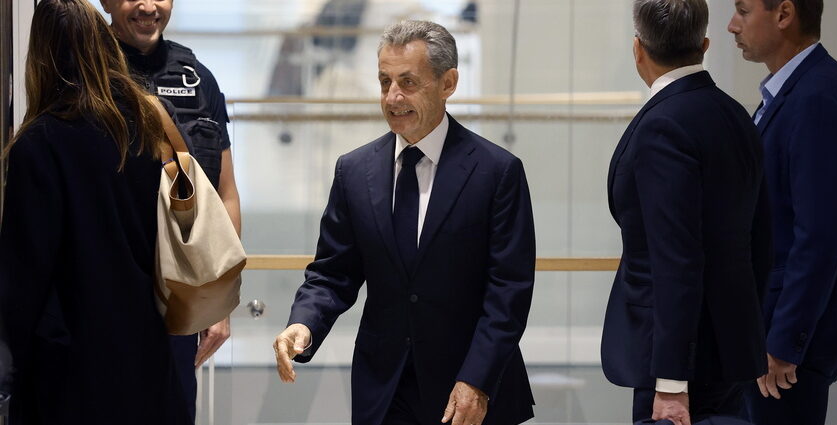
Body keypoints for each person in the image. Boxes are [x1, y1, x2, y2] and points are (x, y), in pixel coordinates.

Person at [273, 20, 536, 425]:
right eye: (385, 82)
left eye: (408, 82)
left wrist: (477, 381)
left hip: (469, 388)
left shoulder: (497, 172)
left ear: (448, 83)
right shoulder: (353, 171)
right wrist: (303, 323)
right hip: (384, 390)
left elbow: (508, 292)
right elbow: (332, 273)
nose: (393, 97)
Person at [0, 0, 192, 423]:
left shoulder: (40, 143)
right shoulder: (145, 126)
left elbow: (24, 275)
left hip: (69, 370)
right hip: (147, 353)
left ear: (42, 56)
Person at [601, 1, 773, 424]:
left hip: (678, 364)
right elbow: (761, 237)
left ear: (638, 49)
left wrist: (671, 382)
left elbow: (675, 259)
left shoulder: (663, 124)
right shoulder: (736, 115)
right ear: (704, 45)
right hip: (731, 350)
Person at [727, 1, 837, 423]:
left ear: (784, 14)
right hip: (772, 323)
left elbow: (819, 234)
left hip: (787, 337)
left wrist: (785, 340)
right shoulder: (794, 90)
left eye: (743, 11)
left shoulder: (817, 94)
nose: (731, 25)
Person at [99, 0, 241, 418]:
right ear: (106, 3)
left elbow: (225, 193)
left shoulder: (197, 78)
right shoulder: (86, 71)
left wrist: (217, 300)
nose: (148, 7)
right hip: (102, 297)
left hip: (178, 299)